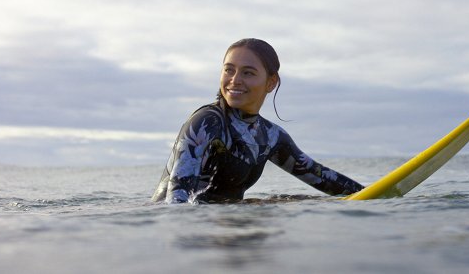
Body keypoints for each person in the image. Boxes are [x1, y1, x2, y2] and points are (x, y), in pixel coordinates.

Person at [151, 38, 364, 204]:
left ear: (271, 82)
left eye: (248, 72)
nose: (235, 80)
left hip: (222, 227)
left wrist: (375, 198)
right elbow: (176, 201)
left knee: (292, 202)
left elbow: (320, 176)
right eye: (229, 70)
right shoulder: (207, 123)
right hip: (179, 230)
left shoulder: (270, 136)